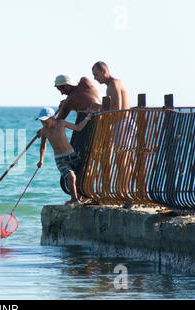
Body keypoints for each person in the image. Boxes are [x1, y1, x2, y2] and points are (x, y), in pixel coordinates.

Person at [92, 61, 134, 205]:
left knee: (123, 160)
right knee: (121, 159)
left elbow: (116, 108)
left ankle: (126, 194)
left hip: (121, 123)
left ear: (104, 71)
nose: (95, 79)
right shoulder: (113, 84)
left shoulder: (114, 84)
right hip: (120, 123)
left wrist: (101, 112)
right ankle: (124, 193)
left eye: (96, 75)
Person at [36, 107, 93, 206]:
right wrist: (41, 160)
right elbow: (42, 145)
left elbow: (78, 127)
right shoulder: (44, 131)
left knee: (85, 173)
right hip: (60, 159)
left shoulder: (61, 123)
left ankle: (82, 196)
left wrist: (87, 118)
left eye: (45, 120)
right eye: (41, 121)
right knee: (71, 177)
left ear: (52, 118)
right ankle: (74, 200)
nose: (43, 123)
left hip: (72, 155)